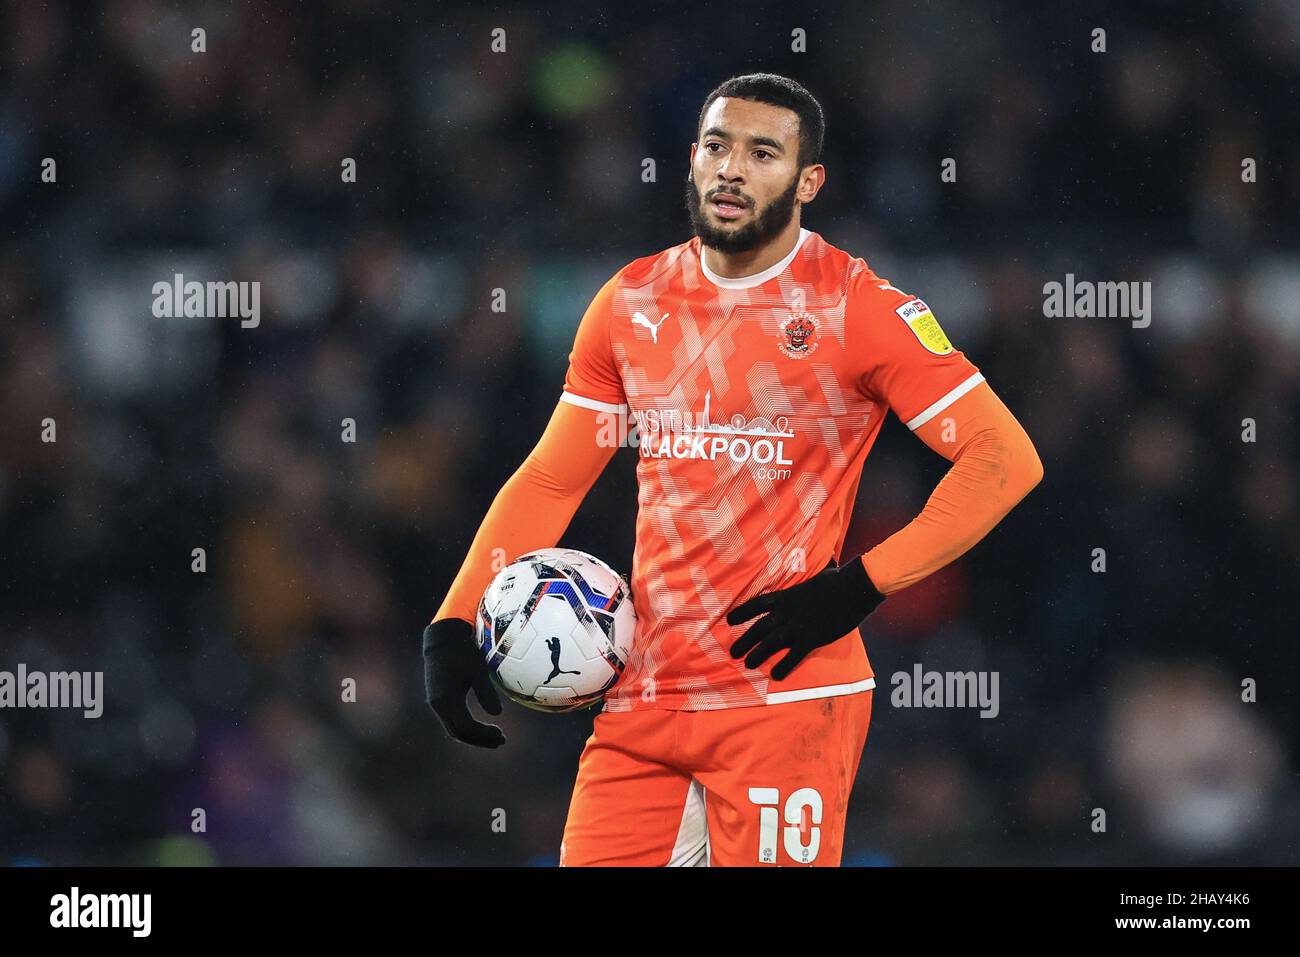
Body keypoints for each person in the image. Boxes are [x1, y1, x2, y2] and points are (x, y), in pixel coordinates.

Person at [423, 73, 1043, 866]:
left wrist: (859, 585)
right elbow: (554, 478)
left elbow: (1004, 458)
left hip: (785, 698)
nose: (732, 169)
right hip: (642, 697)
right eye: (717, 146)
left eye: (762, 153)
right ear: (690, 158)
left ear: (808, 180)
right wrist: (454, 620)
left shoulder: (860, 309)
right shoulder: (631, 300)